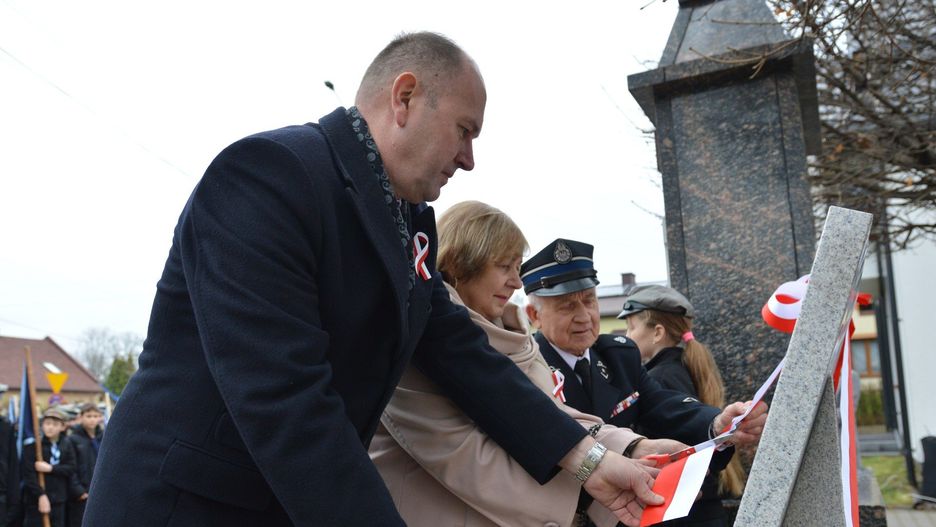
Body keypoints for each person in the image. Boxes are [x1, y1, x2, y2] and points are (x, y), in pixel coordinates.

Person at [85, 32, 661, 527]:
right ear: (405, 97)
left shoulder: (408, 220)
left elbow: (463, 357)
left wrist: (587, 461)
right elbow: (286, 401)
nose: (469, 159)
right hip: (188, 506)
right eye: (464, 130)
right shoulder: (269, 175)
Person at [371, 201, 682, 527]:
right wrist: (593, 483)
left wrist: (631, 449)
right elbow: (463, 453)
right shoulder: (419, 336)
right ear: (461, 262)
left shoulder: (514, 340)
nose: (517, 282)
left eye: (517, 267)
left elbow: (548, 415)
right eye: (504, 266)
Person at [523, 239, 767, 457]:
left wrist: (717, 423)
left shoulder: (617, 356)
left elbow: (662, 405)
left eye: (589, 301)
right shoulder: (526, 367)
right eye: (567, 306)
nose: (584, 316)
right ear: (535, 315)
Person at [618, 284, 746, 526]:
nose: (627, 335)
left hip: (685, 514)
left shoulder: (660, 378)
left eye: (632, 327)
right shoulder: (680, 368)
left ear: (657, 332)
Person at [22, 408, 76, 527]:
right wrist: (40, 495)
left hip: (59, 498)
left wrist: (51, 468)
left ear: (63, 427)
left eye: (55, 424)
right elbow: (28, 474)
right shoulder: (34, 445)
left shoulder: (66, 444)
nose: (50, 427)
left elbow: (71, 468)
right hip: (36, 499)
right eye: (47, 423)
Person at [65, 403, 103, 527]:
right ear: (81, 417)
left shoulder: (103, 437)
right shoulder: (73, 439)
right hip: (82, 494)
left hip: (99, 491)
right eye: (88, 416)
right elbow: (71, 467)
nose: (92, 419)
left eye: (95, 416)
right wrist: (79, 491)